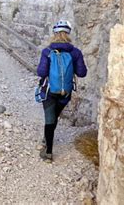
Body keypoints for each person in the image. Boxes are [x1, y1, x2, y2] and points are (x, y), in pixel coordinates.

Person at [36, 20, 87, 162]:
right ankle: (47, 138)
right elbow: (82, 73)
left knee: (49, 119)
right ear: (68, 33)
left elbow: (41, 72)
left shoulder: (47, 52)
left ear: (54, 33)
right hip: (66, 92)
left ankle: (48, 152)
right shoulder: (75, 52)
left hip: (49, 91)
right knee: (55, 117)